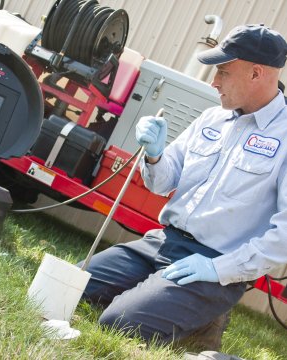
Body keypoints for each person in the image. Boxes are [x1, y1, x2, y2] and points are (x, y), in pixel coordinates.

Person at [80, 24, 287, 350]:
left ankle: (196, 318)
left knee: (119, 323)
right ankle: (177, 309)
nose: (214, 81)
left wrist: (217, 269)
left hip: (213, 266)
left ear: (256, 73)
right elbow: (163, 181)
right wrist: (154, 154)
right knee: (73, 285)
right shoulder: (211, 119)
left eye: (223, 71)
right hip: (162, 243)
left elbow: (283, 238)